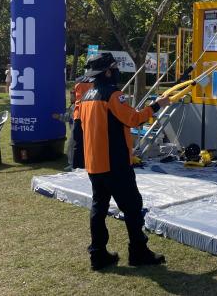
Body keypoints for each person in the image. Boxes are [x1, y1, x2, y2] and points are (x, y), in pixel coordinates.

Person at [78, 52, 171, 270]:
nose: (117, 71)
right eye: (114, 68)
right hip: (115, 162)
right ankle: (138, 252)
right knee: (132, 206)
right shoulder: (113, 95)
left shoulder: (87, 96)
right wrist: (156, 105)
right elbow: (133, 119)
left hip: (94, 162)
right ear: (107, 72)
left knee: (99, 208)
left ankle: (98, 254)